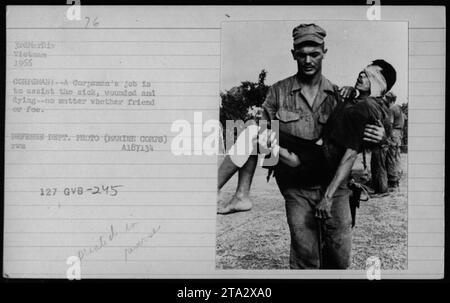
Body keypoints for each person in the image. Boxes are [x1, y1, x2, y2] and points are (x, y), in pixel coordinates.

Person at [217, 23, 387, 269]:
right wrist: (271, 146)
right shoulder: (278, 92)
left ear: (324, 53)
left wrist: (380, 138)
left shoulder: (340, 95)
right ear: (293, 53)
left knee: (339, 260)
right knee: (305, 258)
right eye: (302, 54)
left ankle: (238, 194)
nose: (308, 60)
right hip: (297, 187)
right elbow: (264, 133)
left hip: (335, 187)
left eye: (315, 54)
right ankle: (234, 194)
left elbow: (360, 138)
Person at [385, 91, 404, 189]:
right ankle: (396, 177)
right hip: (399, 133)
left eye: (386, 98)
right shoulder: (398, 108)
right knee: (396, 156)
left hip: (393, 133)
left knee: (391, 157)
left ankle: (393, 180)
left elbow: (389, 124)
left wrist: (387, 136)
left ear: (388, 99)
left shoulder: (391, 109)